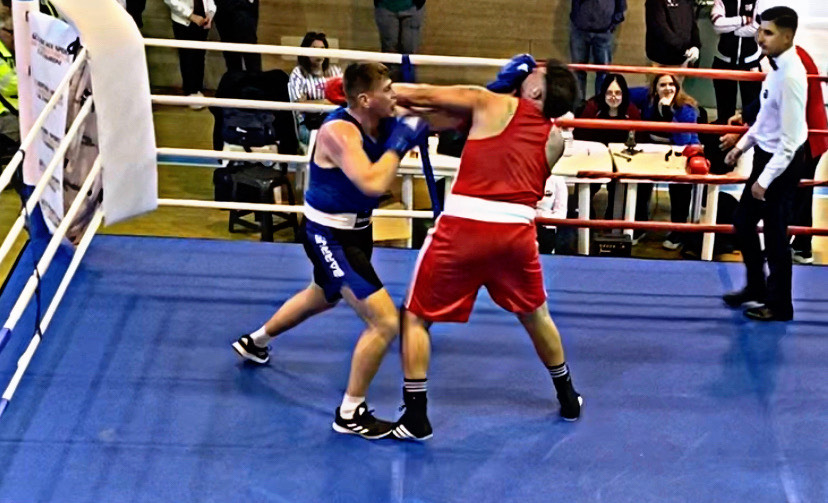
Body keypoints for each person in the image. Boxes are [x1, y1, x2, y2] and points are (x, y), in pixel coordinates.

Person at [388, 57, 583, 441]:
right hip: (516, 237)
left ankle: (416, 417)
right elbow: (469, 126)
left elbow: (426, 95)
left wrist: (372, 93)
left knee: (415, 317)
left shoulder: (491, 103)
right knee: (535, 314)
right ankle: (568, 396)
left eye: (534, 77)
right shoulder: (556, 140)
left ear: (537, 91)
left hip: (464, 228)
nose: (527, 76)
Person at [232, 62, 429, 438]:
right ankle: (350, 412)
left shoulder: (381, 112)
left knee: (321, 295)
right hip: (329, 236)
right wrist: (400, 144)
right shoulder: (337, 131)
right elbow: (372, 183)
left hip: (358, 232)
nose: (395, 94)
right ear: (364, 99)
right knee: (385, 322)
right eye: (387, 89)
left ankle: (256, 342)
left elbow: (433, 108)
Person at [722, 6, 807, 321]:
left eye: (768, 33)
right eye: (760, 30)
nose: (760, 37)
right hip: (767, 157)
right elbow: (764, 120)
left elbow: (790, 140)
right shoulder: (775, 69)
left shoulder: (792, 77)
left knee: (774, 236)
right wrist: (742, 146)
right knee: (743, 223)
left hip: (782, 165)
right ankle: (757, 287)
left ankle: (780, 304)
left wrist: (764, 180)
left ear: (787, 36)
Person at [631, 73, 700, 249]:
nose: (668, 88)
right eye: (662, 85)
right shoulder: (647, 98)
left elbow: (684, 140)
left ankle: (678, 229)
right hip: (652, 149)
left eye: (672, 85)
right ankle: (639, 225)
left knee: (680, 185)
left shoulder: (686, 108)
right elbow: (621, 91)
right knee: (639, 179)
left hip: (681, 150)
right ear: (655, 89)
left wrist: (670, 114)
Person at [575, 73, 642, 219]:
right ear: (603, 93)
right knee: (586, 186)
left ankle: (613, 221)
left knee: (620, 189)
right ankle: (586, 220)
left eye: (618, 93)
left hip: (621, 160)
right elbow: (579, 137)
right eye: (609, 93)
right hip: (593, 158)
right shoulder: (592, 108)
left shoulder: (631, 111)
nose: (613, 97)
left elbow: (639, 139)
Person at [710, 0, 763, 123]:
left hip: (750, 62)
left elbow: (756, 27)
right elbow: (717, 24)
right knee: (724, 112)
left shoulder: (758, 1)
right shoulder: (721, 1)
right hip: (724, 61)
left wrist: (732, 31)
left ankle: (747, 141)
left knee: (752, 111)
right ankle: (724, 139)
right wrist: (743, 20)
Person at [287, 32, 343, 147]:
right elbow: (299, 104)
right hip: (308, 124)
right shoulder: (299, 73)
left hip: (334, 120)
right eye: (314, 48)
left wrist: (312, 102)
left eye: (322, 48)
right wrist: (328, 101)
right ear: (306, 52)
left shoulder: (335, 71)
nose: (319, 53)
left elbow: (344, 100)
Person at [569, 0, 627, 102]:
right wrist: (576, 18)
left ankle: (600, 105)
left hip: (604, 32)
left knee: (603, 72)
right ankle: (578, 106)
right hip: (579, 31)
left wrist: (612, 23)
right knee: (578, 70)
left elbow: (621, 6)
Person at [163, 0, 215, 104]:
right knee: (187, 56)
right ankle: (190, 93)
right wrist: (190, 15)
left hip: (203, 16)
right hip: (183, 20)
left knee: (199, 56)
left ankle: (198, 90)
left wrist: (210, 13)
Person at [645, 0, 700, 67]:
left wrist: (695, 46)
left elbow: (693, 25)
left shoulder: (686, 2)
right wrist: (684, 49)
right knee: (665, 77)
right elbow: (661, 30)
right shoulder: (655, 2)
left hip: (682, 60)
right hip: (661, 60)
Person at [214, 0, 261, 73]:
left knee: (250, 49)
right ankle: (235, 81)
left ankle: (255, 82)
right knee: (230, 50)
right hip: (222, 6)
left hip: (244, 6)